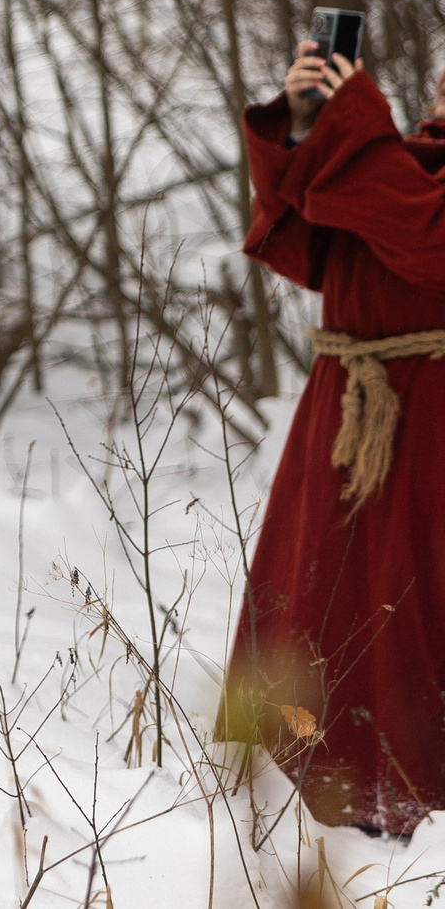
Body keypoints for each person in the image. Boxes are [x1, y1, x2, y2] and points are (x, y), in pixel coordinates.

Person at [221, 44, 445, 836]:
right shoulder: (406, 159)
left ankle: (403, 799)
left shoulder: (396, 165)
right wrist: (301, 131)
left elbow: (427, 238)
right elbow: (302, 236)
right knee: (321, 602)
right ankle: (294, 789)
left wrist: (356, 127)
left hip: (427, 428)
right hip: (344, 417)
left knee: (409, 607)